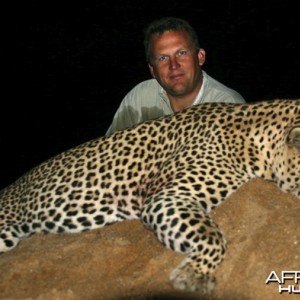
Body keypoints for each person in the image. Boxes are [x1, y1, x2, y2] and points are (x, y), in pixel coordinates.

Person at [106, 17, 245, 135]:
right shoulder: (139, 97)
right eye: (163, 58)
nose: (174, 65)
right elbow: (109, 152)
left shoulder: (229, 105)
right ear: (152, 70)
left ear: (200, 57)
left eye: (181, 53)